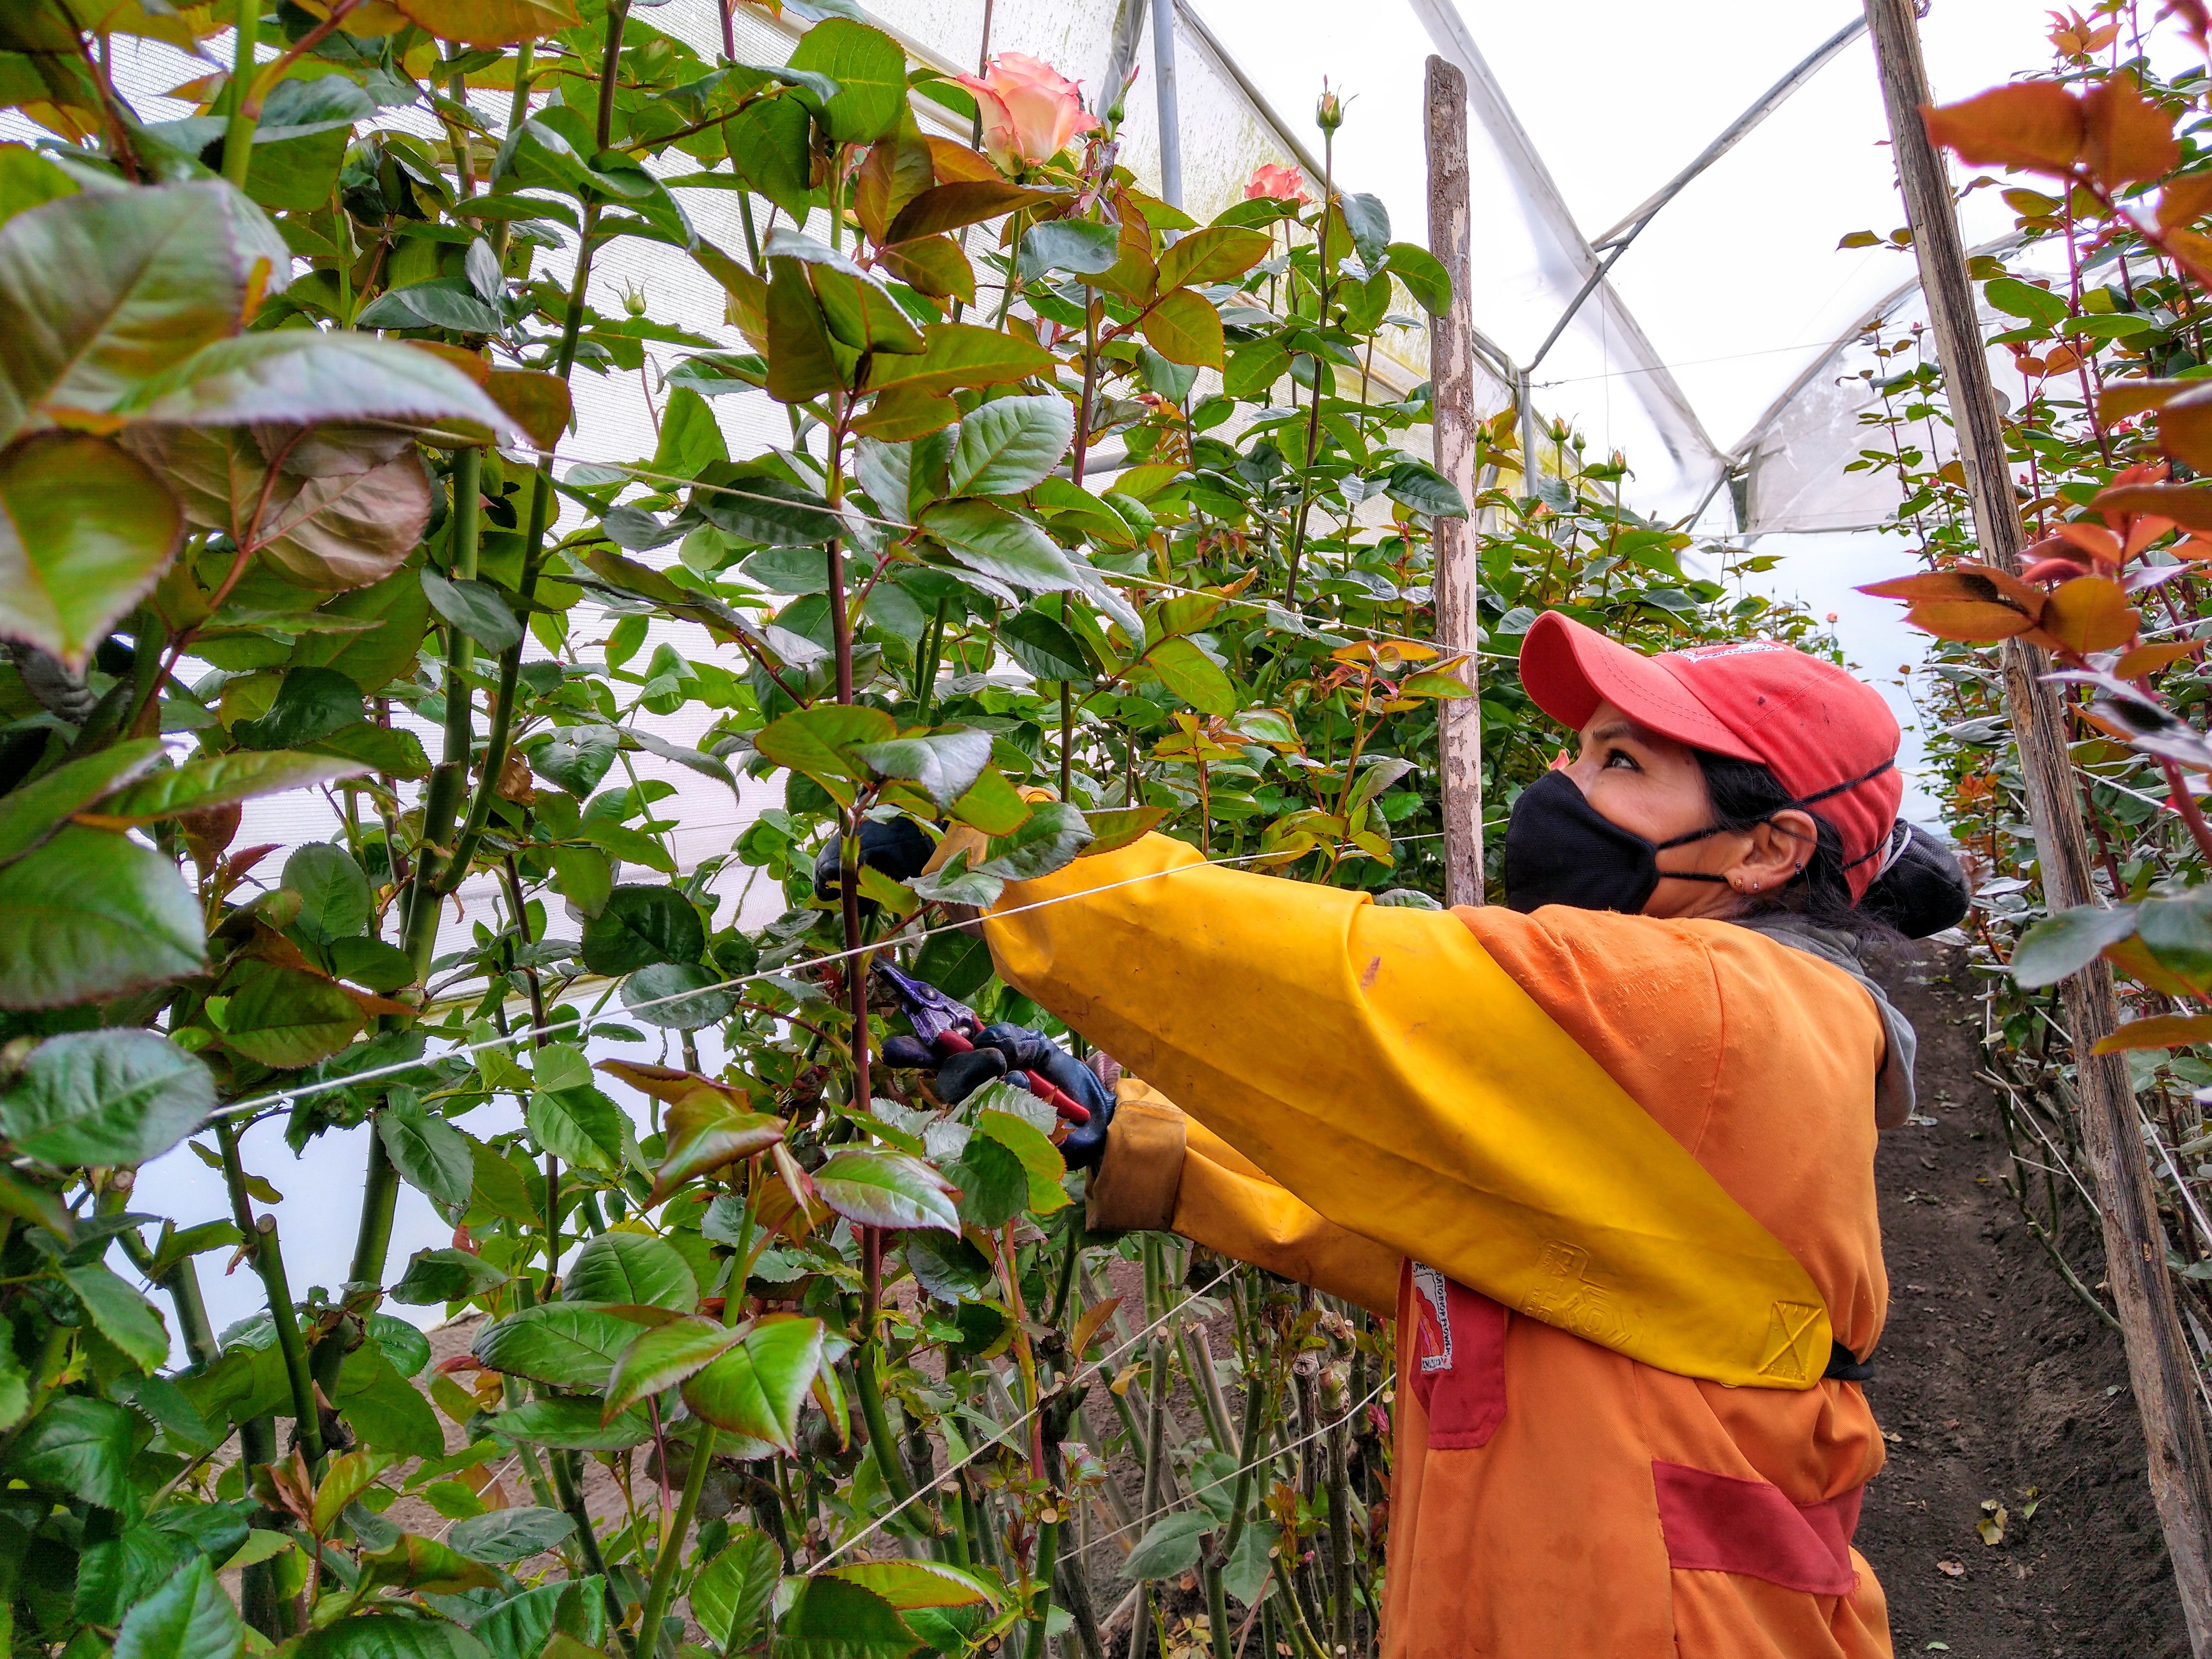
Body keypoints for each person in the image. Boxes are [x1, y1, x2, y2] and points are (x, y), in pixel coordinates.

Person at [842, 612, 1969, 1659]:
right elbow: (1483, 1248)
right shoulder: (1718, 1018)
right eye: (1579, 751)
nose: (1561, 787)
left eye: (1621, 764)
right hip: (1607, 1573)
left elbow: (1343, 989)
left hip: (1659, 1610)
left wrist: (997, 841)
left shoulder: (1714, 1003)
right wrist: (1131, 1139)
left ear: (1766, 852)